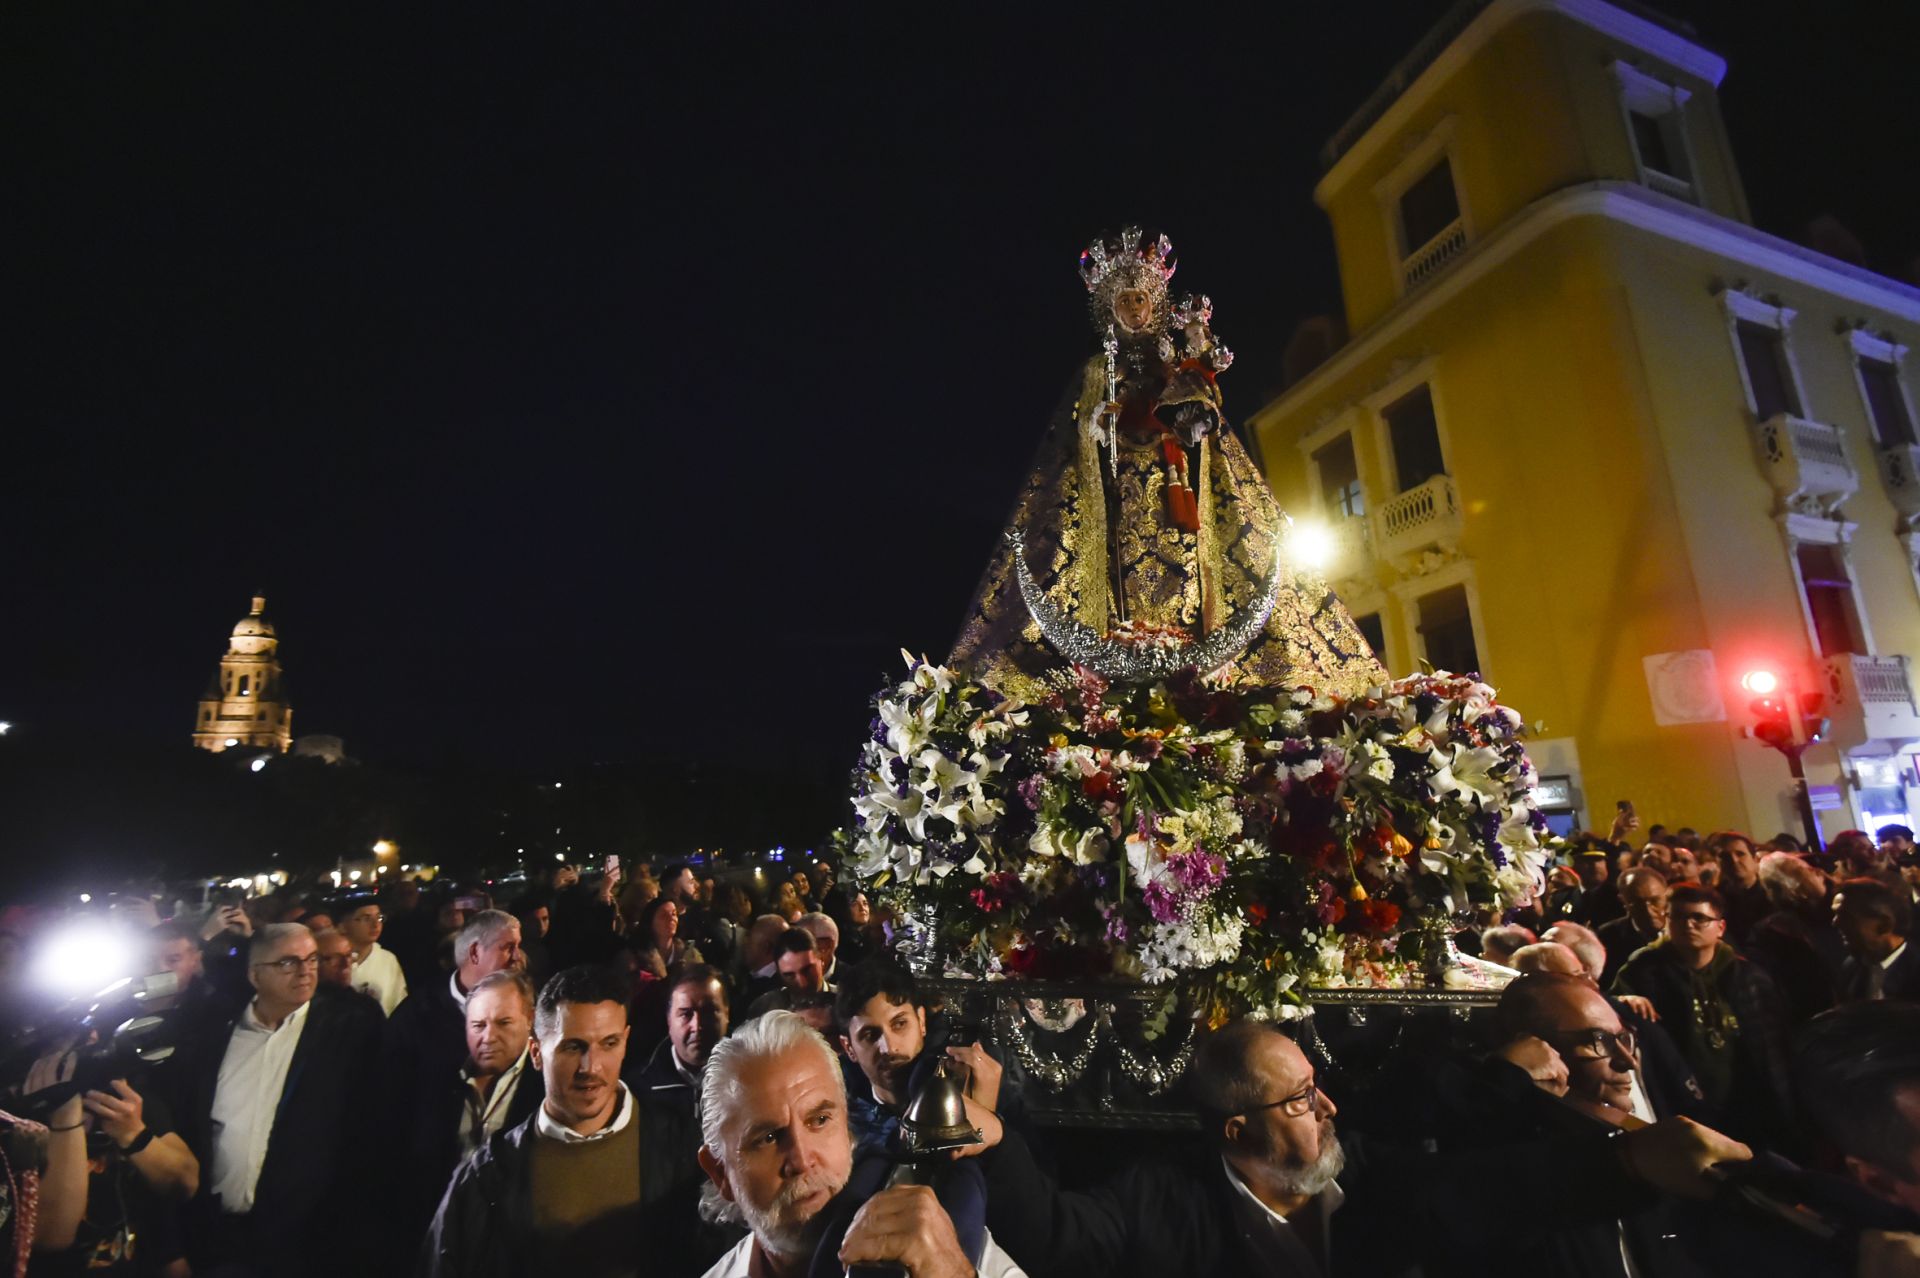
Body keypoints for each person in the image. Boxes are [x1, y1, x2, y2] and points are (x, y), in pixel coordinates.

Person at [977, 1016, 1751, 1278]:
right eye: (1301, 1099)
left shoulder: (1373, 1180)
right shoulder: (1162, 1196)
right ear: (1235, 1130)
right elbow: (1059, 1241)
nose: (1328, 1106)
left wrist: (1629, 1164)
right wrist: (992, 1140)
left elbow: (1498, 1186)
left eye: (1317, 1085)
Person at [419, 966, 706, 1278]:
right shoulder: (486, 1176)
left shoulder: (684, 1149)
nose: (591, 1067)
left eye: (608, 1044)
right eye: (573, 1046)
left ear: (625, 1041)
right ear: (536, 1052)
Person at [695, 1011, 1022, 1278]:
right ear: (720, 1173)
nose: (802, 1158)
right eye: (767, 1138)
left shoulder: (938, 1237)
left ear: (848, 1126)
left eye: (820, 1120)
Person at [179, 923, 380, 1276]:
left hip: (306, 1241)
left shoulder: (347, 1031)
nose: (305, 971)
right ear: (255, 975)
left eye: (312, 959)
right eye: (288, 962)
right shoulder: (215, 1037)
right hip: (220, 1236)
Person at [1613, 882, 1793, 1145]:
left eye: (1699, 918)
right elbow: (1610, 1016)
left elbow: (1774, 1045)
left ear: (1720, 927)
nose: (1688, 925)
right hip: (1679, 1095)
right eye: (1679, 917)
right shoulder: (1643, 971)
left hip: (1744, 1097)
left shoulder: (1748, 976)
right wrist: (1623, 1000)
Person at [629, 966, 729, 1128]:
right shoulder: (639, 1090)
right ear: (669, 1020)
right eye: (685, 1014)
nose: (697, 1025)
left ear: (726, 1014)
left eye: (709, 1011)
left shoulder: (753, 1081)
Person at [1833, 878, 1916, 1001]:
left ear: (1884, 925)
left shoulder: (1915, 972)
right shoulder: (1851, 966)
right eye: (1835, 914)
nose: (1835, 922)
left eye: (1846, 916)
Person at [1598, 866, 1670, 981]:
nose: (1648, 910)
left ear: (1667, 896)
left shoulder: (1685, 931)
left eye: (1655, 901)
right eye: (1637, 902)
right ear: (1623, 901)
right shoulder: (1608, 937)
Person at [341, 895, 408, 1015]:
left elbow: (399, 1002)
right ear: (343, 925)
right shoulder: (334, 959)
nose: (376, 925)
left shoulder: (388, 959)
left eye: (379, 918)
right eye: (366, 918)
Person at [746, 930, 830, 1018]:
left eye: (807, 970)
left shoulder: (843, 1002)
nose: (802, 983)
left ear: (822, 959)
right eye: (790, 975)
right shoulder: (765, 1008)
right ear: (778, 973)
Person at [1709, 831, 1769, 943]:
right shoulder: (1714, 899)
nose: (1734, 860)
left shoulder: (1772, 893)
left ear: (1755, 859)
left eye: (1740, 854)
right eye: (1725, 856)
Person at [794, 912, 841, 984]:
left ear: (828, 945)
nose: (795, 948)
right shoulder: (787, 977)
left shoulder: (852, 981)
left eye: (804, 941)